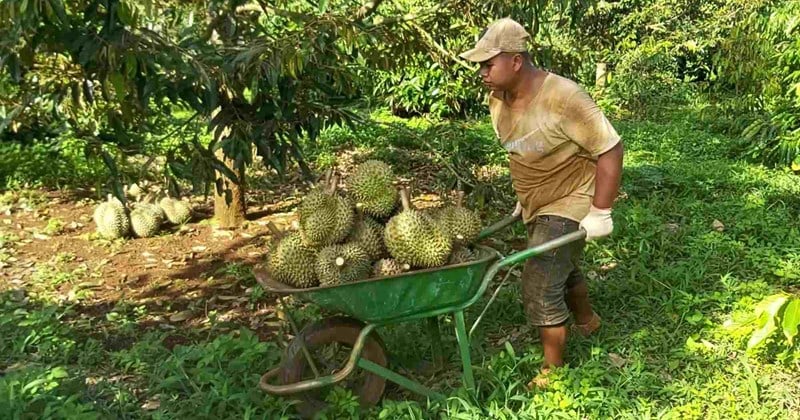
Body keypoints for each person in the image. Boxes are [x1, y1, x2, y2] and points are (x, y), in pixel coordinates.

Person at [459, 18, 624, 388]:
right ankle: (587, 322)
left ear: (516, 61)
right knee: (558, 266)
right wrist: (524, 196)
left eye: (488, 64)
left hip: (571, 199)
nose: (482, 72)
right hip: (536, 200)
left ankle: (553, 371)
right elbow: (521, 151)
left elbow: (610, 149)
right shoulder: (497, 99)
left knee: (539, 280)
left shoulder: (564, 98)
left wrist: (600, 211)